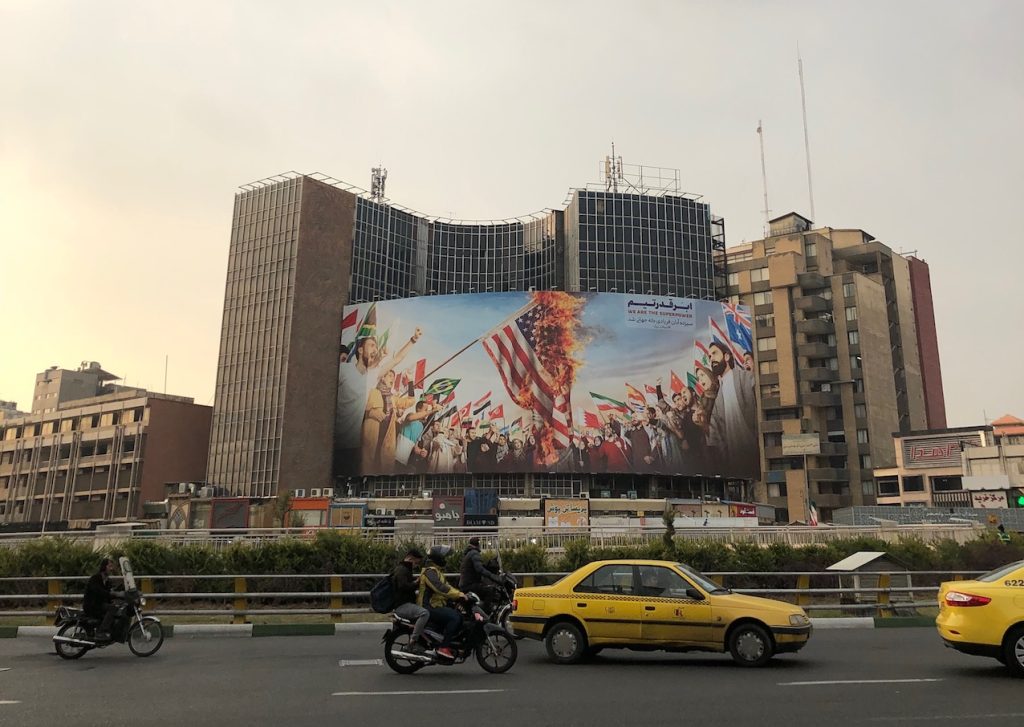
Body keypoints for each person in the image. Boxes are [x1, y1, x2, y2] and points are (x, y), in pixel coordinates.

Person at [706, 342, 758, 475]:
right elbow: (715, 437)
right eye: (709, 356)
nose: (711, 358)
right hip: (736, 464)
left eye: (714, 353)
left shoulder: (747, 378)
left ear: (727, 357)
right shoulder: (718, 399)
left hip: (757, 454)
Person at [417, 545, 466, 660]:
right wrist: (458, 595)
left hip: (436, 605)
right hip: (429, 606)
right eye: (444, 557)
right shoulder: (430, 572)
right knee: (454, 618)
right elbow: (440, 588)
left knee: (459, 614)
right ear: (438, 558)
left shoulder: (436, 571)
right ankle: (444, 647)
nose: (445, 560)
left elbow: (447, 586)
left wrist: (460, 594)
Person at [391, 547, 429, 654]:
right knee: (424, 613)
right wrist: (416, 583)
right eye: (416, 563)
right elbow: (403, 586)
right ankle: (413, 641)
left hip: (405, 603)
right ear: (411, 559)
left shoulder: (405, 569)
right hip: (402, 605)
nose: (416, 565)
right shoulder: (402, 570)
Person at [459, 537, 503, 610]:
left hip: (466, 583)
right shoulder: (474, 553)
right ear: (478, 544)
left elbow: (478, 566)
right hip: (470, 584)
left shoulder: (470, 553)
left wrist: (488, 566)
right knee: (490, 590)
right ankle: (485, 611)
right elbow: (480, 569)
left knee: (485, 587)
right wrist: (493, 576)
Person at [83, 558, 122, 641]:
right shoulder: (95, 578)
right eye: (109, 566)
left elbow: (108, 593)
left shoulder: (107, 581)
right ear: (104, 567)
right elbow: (98, 591)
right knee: (113, 608)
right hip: (92, 605)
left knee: (117, 606)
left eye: (112, 567)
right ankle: (101, 632)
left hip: (100, 604)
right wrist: (111, 594)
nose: (111, 569)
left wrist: (120, 595)